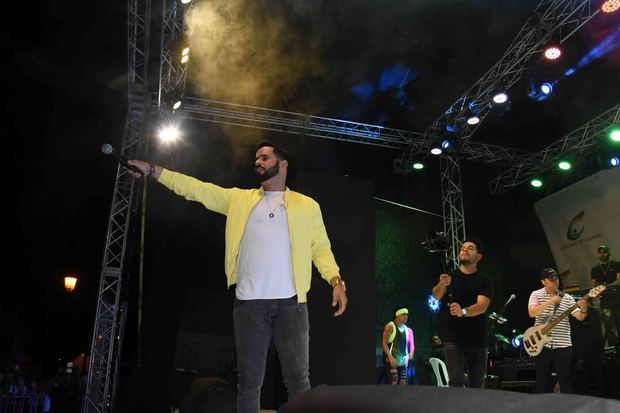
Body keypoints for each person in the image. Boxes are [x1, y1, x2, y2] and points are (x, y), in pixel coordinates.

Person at [127, 141, 348, 413]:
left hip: (292, 304)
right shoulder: (239, 200)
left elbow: (321, 249)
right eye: (256, 158)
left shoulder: (307, 206)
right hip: (249, 305)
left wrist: (335, 281)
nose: (258, 161)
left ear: (283, 164)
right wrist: (152, 170)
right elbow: (195, 188)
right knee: (250, 383)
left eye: (265, 157)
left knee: (298, 382)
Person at [431, 238, 493, 388]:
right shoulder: (450, 276)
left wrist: (463, 311)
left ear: (479, 256)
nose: (464, 250)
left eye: (470, 248)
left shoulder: (484, 280)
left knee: (477, 384)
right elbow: (436, 295)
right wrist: (441, 284)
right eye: (462, 248)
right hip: (453, 339)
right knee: (456, 382)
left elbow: (482, 306)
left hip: (477, 339)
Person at [528, 268, 588, 393]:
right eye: (551, 279)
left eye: (556, 278)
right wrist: (551, 301)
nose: (555, 281)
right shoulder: (536, 294)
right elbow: (532, 312)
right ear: (543, 281)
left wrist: (583, 309)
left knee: (565, 379)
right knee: (542, 380)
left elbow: (580, 317)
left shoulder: (567, 298)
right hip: (542, 344)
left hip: (563, 344)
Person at [590, 245, 620, 347]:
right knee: (609, 323)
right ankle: (613, 345)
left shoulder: (616, 265)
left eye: (604, 252)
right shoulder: (595, 269)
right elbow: (593, 286)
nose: (602, 254)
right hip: (605, 299)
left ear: (609, 253)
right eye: (600, 252)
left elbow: (619, 280)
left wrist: (605, 286)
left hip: (617, 297)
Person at [381, 306, 415, 385]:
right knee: (393, 382)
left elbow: (412, 345)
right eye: (403, 314)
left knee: (403, 383)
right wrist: (390, 357)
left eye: (406, 314)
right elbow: (384, 343)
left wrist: (411, 353)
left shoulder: (409, 330)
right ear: (397, 315)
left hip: (403, 362)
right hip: (391, 361)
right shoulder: (390, 326)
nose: (406, 316)